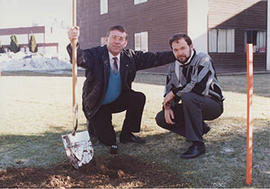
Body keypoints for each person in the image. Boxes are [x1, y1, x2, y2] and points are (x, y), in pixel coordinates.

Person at [67, 25, 175, 154]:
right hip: (97, 104)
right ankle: (95, 127)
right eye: (114, 37)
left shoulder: (129, 57)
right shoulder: (95, 55)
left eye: (121, 39)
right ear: (106, 39)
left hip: (118, 100)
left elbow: (154, 58)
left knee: (138, 97)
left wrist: (177, 53)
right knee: (109, 141)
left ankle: (127, 134)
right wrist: (74, 42)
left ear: (125, 43)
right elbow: (80, 58)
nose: (117, 41)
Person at [155, 33, 224, 159]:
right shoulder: (173, 66)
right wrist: (167, 107)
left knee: (188, 96)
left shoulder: (203, 59)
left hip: (212, 105)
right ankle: (201, 128)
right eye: (175, 50)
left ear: (191, 46)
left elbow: (198, 86)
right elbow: (169, 90)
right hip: (191, 103)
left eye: (182, 48)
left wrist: (174, 93)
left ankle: (197, 144)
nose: (179, 53)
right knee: (161, 118)